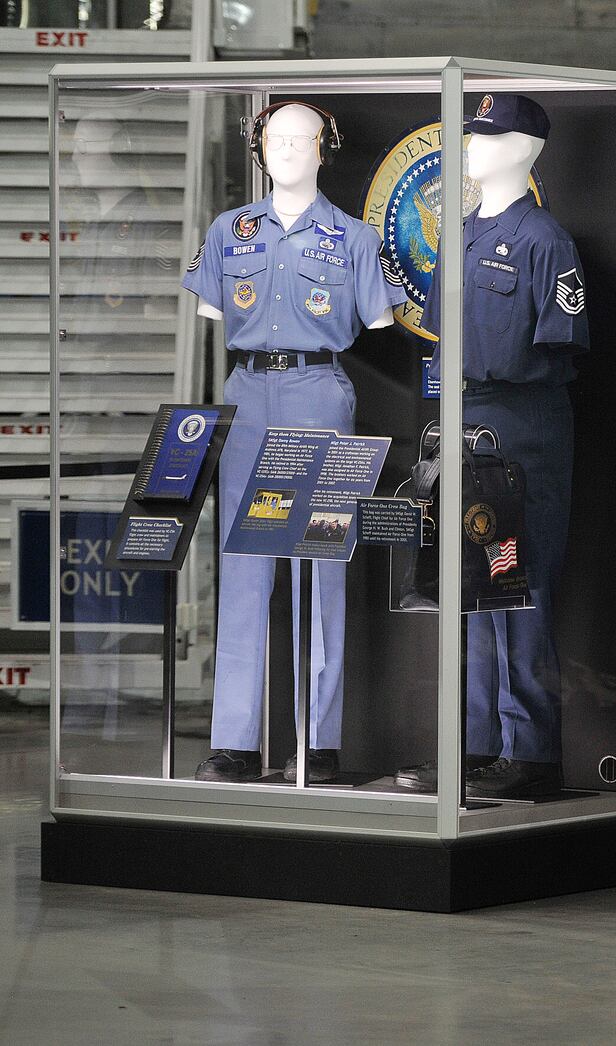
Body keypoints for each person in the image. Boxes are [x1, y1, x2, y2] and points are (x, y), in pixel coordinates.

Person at [184, 101, 403, 784]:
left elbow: (378, 318)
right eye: (273, 138)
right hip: (247, 394)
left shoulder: (354, 239)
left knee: (321, 564)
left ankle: (321, 742)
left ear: (323, 149)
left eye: (300, 139)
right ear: (258, 146)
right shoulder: (228, 232)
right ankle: (235, 742)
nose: (284, 149)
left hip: (319, 394)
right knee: (243, 567)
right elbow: (212, 309)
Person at [396, 95, 587, 801]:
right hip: (462, 413)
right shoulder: (461, 236)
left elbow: (558, 345)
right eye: (471, 134)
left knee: (519, 580)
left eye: (489, 134)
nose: (472, 146)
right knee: (466, 583)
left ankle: (529, 750)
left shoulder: (544, 241)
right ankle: (475, 744)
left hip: (521, 420)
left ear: (527, 146)